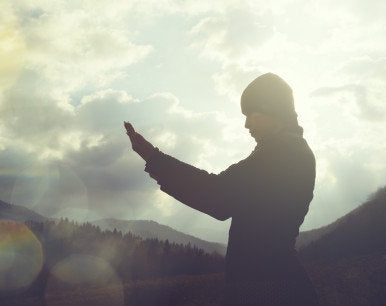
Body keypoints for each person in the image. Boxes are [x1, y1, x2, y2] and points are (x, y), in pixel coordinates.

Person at [125, 73, 319, 305]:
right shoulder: (286, 149)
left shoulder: (283, 152)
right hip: (270, 283)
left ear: (274, 112)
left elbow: (217, 195)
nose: (247, 124)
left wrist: (153, 157)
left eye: (252, 115)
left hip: (269, 289)